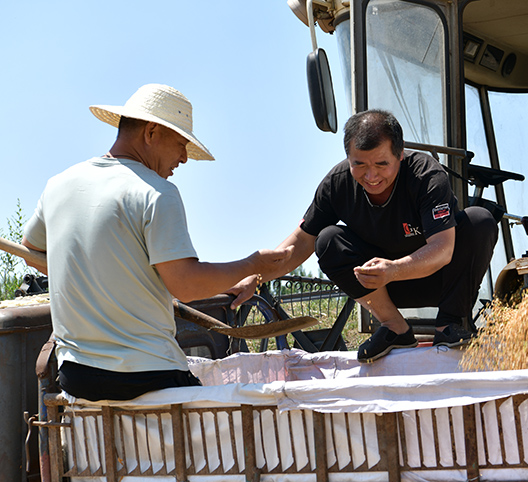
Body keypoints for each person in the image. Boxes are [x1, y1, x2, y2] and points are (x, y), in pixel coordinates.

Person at [21, 84, 292, 401]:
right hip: (148, 376)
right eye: (180, 144)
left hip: (77, 376)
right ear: (151, 133)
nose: (184, 158)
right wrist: (252, 264)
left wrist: (97, 275)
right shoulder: (155, 193)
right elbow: (186, 286)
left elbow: (32, 251)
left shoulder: (58, 186)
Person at [258, 109, 497, 363]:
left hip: (439, 280)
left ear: (400, 153)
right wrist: (255, 275)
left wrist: (394, 268)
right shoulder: (337, 184)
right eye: (359, 164)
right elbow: (302, 240)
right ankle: (395, 328)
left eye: (381, 164)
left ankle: (449, 325)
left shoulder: (426, 176)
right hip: (380, 288)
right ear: (348, 158)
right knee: (327, 239)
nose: (371, 177)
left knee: (480, 220)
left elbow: (443, 248)